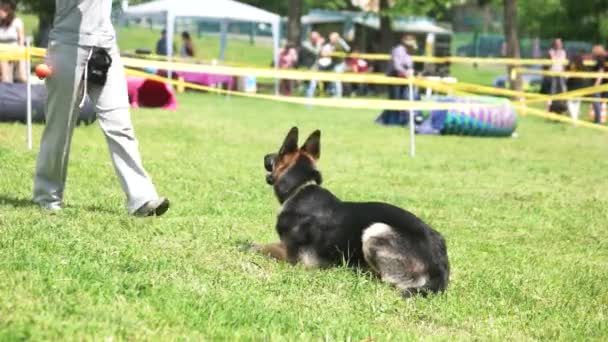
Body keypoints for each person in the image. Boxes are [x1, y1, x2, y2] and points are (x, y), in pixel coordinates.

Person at [33, 0, 170, 216]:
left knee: (120, 124)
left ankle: (142, 199)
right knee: (59, 127)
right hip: (68, 44)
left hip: (106, 46)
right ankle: (46, 196)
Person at [377, 35, 418, 125]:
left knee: (401, 99)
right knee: (395, 99)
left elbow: (410, 64)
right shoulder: (398, 50)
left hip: (404, 78)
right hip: (394, 77)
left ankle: (383, 120)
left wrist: (411, 71)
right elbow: (397, 66)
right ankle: (391, 121)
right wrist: (406, 72)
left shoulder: (409, 52)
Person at [0, 0, 25, 83]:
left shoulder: (17, 22)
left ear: (8, 11)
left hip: (15, 51)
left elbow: (21, 39)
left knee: (21, 74)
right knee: (5, 76)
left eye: (3, 10)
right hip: (2, 53)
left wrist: (19, 52)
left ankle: (22, 86)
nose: (0, 12)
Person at [326, 32, 351, 98]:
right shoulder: (335, 44)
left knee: (337, 80)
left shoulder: (339, 44)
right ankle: (335, 94)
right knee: (334, 80)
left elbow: (348, 49)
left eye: (331, 38)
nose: (330, 39)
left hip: (339, 64)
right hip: (335, 64)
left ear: (336, 38)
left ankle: (338, 95)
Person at [565, 53, 588, 123]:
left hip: (571, 85)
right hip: (579, 85)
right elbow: (585, 76)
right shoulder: (582, 66)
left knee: (570, 102)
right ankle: (575, 119)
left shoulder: (571, 65)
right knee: (577, 103)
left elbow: (566, 76)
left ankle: (574, 119)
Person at [547, 38, 568, 111]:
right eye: (557, 43)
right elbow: (549, 63)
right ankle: (549, 106)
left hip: (561, 73)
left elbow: (564, 64)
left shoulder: (563, 52)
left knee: (563, 89)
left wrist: (565, 73)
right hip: (553, 73)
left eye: (560, 43)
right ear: (554, 44)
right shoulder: (551, 52)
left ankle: (566, 105)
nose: (558, 44)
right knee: (552, 90)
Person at [301, 31, 324, 98]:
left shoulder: (316, 45)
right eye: (315, 38)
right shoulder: (306, 44)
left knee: (312, 84)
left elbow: (320, 54)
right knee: (307, 84)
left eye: (317, 38)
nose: (316, 39)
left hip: (314, 67)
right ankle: (307, 99)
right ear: (310, 38)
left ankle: (308, 99)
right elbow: (315, 52)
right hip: (306, 68)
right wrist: (319, 44)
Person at [591, 44, 607, 124]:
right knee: (600, 102)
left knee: (596, 101)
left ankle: (598, 120)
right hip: (605, 83)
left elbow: (601, 71)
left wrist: (596, 84)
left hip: (601, 84)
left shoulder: (600, 58)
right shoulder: (605, 57)